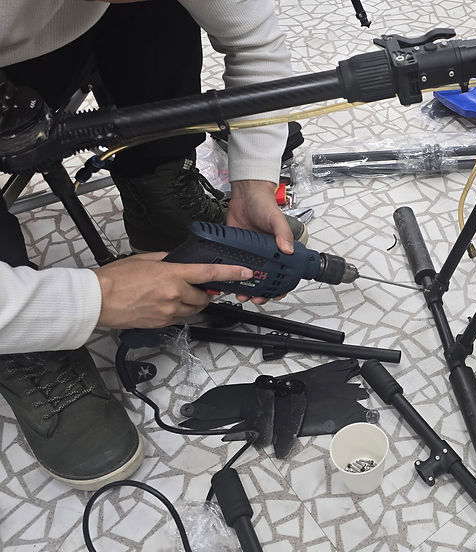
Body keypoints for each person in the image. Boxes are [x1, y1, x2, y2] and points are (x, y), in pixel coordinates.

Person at [0, 0, 298, 490]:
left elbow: (254, 40)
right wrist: (87, 300)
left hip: (51, 40)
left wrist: (253, 179)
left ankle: (159, 192)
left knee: (159, 9)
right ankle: (25, 342)